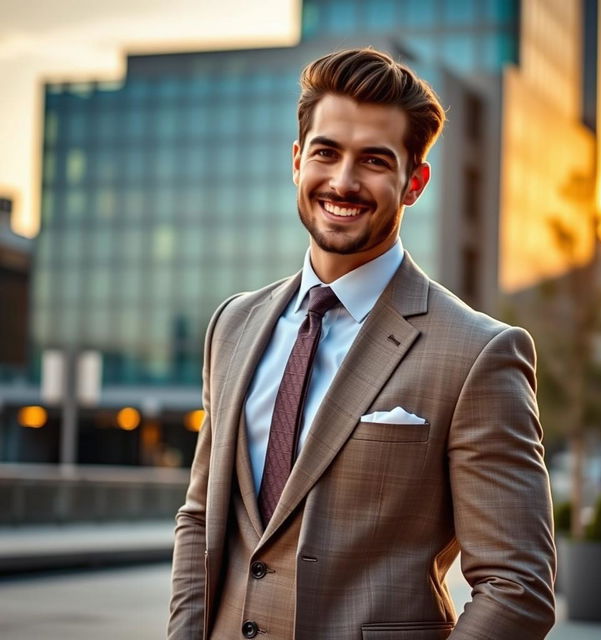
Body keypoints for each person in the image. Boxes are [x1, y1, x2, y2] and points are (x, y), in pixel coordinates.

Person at [168, 47, 555, 640]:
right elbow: (200, 519)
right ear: (298, 161)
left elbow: (517, 587)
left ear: (414, 183)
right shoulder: (234, 325)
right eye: (326, 152)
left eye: (375, 160)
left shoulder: (479, 353)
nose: (343, 182)